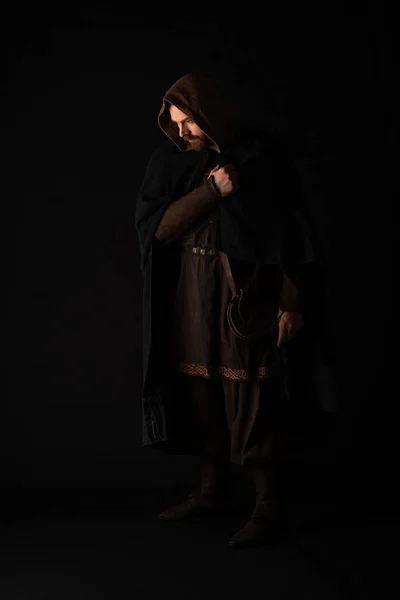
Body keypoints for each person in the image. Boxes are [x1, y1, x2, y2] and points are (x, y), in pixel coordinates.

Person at [135, 71, 326, 548]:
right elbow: (158, 231)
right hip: (192, 295)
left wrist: (292, 303)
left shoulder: (259, 157)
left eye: (188, 124)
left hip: (245, 296)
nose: (181, 134)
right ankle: (209, 492)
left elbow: (289, 232)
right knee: (202, 395)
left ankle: (266, 506)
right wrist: (211, 192)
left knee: (254, 401)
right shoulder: (171, 163)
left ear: (209, 116)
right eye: (175, 126)